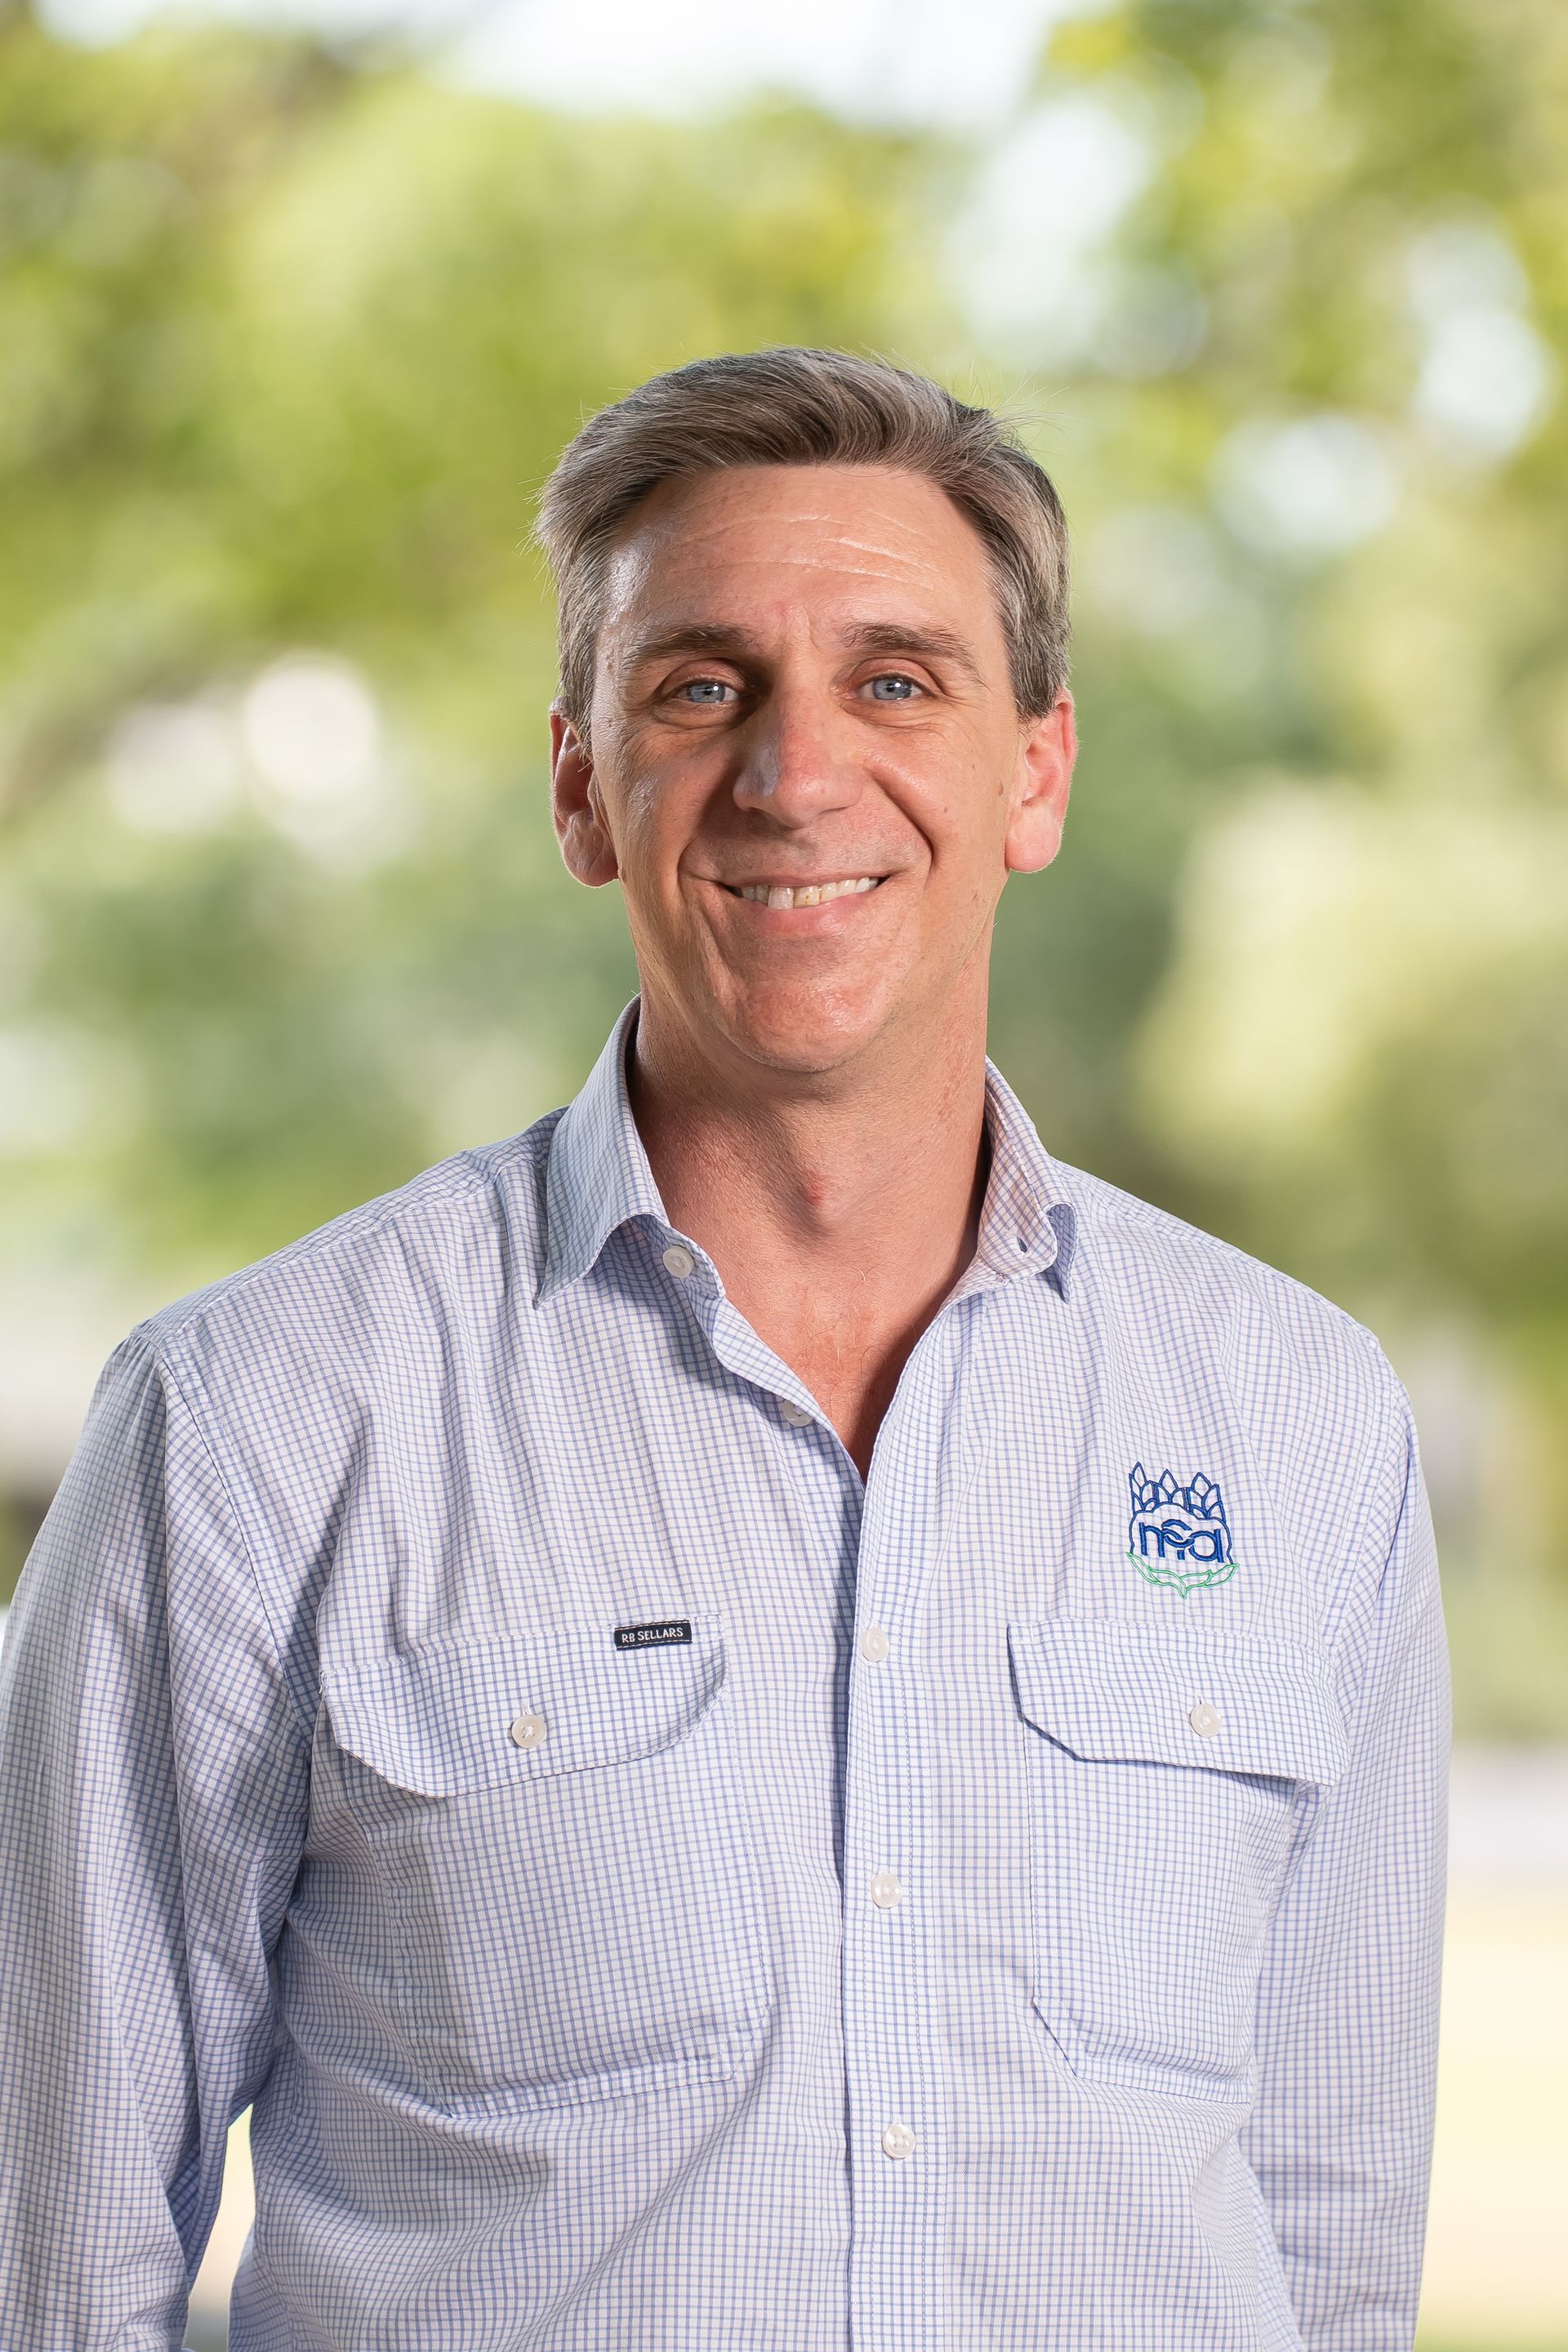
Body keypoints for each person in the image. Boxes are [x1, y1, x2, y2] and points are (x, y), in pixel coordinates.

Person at [0, 349, 1448, 2350]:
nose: (794, 775)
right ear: (587, 787)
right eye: (700, 688)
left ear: (1034, 772)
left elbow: (1332, 2251)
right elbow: (51, 2260)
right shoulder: (253, 1425)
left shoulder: (1304, 1426)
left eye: (897, 678)